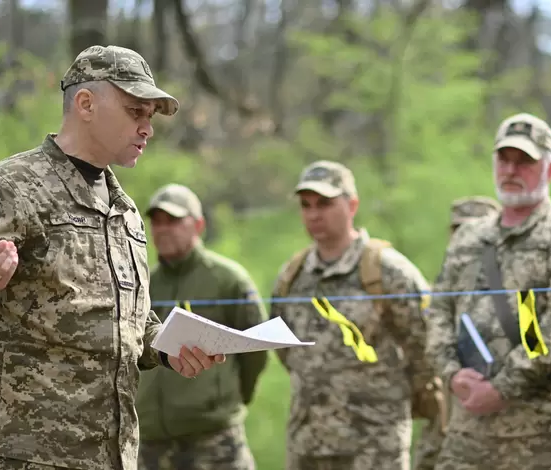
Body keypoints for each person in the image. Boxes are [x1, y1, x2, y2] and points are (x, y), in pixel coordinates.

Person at [0, 45, 224, 470]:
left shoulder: (126, 210)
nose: (147, 128)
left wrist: (168, 347)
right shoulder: (12, 187)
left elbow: (127, 326)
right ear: (85, 104)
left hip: (113, 454)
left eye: (150, 116)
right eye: (137, 111)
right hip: (31, 454)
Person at [426, 113, 551, 470]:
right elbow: (439, 311)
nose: (511, 170)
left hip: (539, 437)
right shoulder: (468, 237)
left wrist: (501, 388)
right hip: (466, 435)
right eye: (504, 160)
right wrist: (451, 373)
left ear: (549, 170)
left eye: (524, 161)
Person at [270, 160, 443, 470]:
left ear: (352, 204)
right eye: (306, 205)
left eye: (325, 203)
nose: (314, 214)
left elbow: (426, 348)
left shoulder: (388, 272)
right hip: (307, 443)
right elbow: (286, 352)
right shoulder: (292, 277)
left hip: (373, 447)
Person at [136, 184, 267, 470]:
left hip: (214, 442)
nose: (162, 229)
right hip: (150, 444)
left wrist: (225, 403)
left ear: (198, 224)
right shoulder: (142, 283)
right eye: (156, 221)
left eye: (173, 220)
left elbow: (256, 350)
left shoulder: (228, 279)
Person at [412, 195, 501, 470]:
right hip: (447, 425)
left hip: (501, 429)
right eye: (458, 231)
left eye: (474, 230)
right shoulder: (440, 294)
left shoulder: (513, 294)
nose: (465, 239)